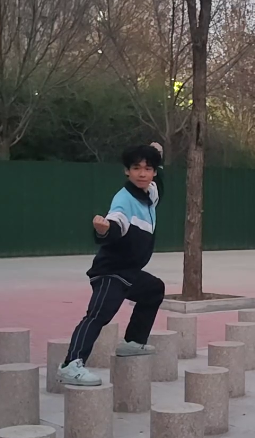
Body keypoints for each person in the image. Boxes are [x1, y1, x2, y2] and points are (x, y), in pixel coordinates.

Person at [57, 142, 167, 386]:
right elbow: (116, 224)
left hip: (130, 271)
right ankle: (70, 365)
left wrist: (158, 156)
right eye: (136, 168)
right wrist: (104, 230)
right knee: (98, 316)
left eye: (148, 169)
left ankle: (133, 343)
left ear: (153, 172)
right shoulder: (124, 200)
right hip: (111, 272)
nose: (142, 174)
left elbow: (160, 184)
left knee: (154, 289)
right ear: (126, 171)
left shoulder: (149, 193)